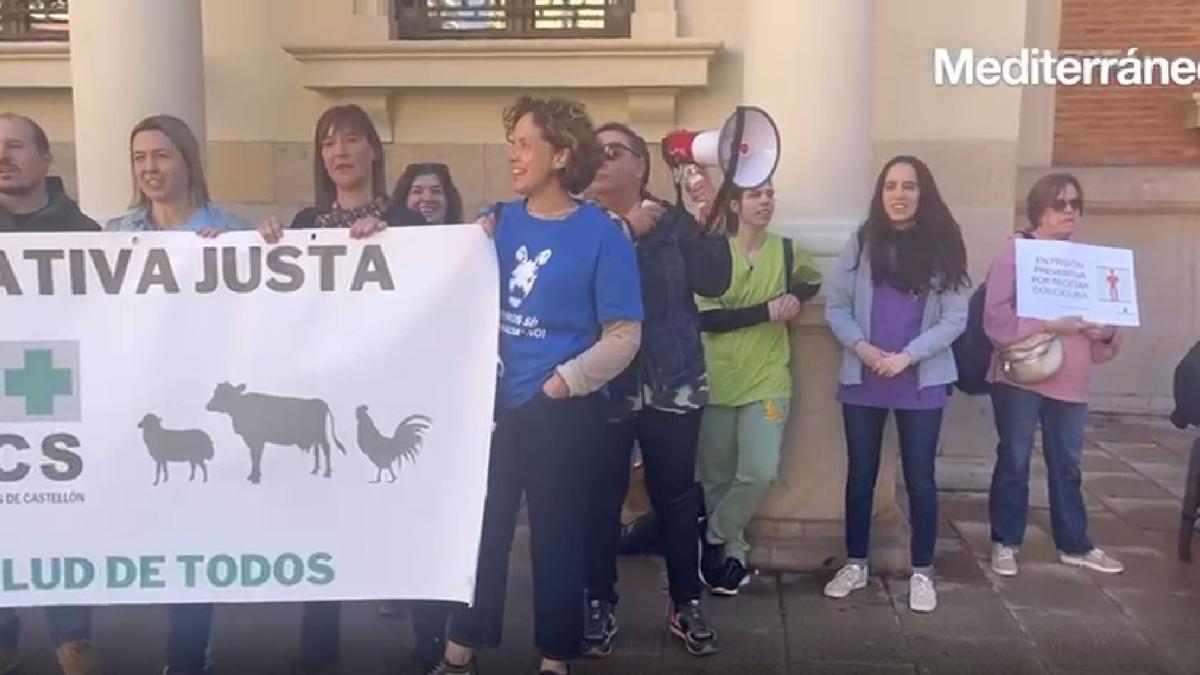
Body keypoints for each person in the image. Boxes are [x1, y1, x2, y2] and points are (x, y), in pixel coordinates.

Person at [429, 95, 643, 675]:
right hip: (493, 407)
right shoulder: (496, 222)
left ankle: (555, 659)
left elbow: (624, 336)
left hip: (562, 413)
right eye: (512, 144)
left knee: (557, 538)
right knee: (483, 529)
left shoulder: (603, 234)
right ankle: (460, 648)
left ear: (561, 155)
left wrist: (564, 383)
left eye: (525, 144)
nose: (513, 155)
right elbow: (442, 278)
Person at [258, 104, 425, 675]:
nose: (339, 152)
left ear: (373, 149)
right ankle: (318, 642)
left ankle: (429, 642)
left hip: (389, 387)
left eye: (351, 139)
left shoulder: (409, 223)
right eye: (328, 142)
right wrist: (266, 246)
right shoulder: (306, 222)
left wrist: (390, 242)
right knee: (321, 511)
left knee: (401, 511)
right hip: (324, 390)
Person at [103, 114, 253, 675]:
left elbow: (260, 316)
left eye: (161, 155)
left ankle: (187, 653)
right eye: (139, 157)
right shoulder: (113, 235)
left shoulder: (231, 230)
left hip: (201, 399)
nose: (149, 168)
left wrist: (241, 254)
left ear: (188, 161)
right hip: (140, 395)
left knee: (196, 522)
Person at [580, 122, 730, 658]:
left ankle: (686, 602)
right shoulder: (581, 224)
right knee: (601, 498)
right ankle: (599, 601)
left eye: (614, 151)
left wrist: (711, 225)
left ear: (641, 166)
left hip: (673, 381)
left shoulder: (674, 220)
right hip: (605, 386)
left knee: (676, 497)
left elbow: (715, 281)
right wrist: (624, 230)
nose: (602, 159)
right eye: (595, 151)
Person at [821, 155, 970, 613]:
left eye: (908, 186)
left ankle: (922, 571)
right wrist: (863, 349)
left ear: (923, 193)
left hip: (919, 379)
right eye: (890, 186)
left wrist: (908, 356)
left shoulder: (944, 244)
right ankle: (856, 563)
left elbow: (955, 317)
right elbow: (836, 305)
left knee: (920, 478)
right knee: (860, 475)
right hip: (865, 375)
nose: (898, 195)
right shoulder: (862, 241)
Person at [0, 112, 101, 675]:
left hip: (63, 397)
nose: (3, 157)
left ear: (45, 158)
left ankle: (72, 637)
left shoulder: (84, 235)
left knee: (62, 517)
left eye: (16, 146)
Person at [984, 173, 1124, 577]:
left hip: (1071, 380)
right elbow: (995, 316)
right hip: (1021, 375)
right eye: (1059, 203)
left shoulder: (1087, 261)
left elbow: (1109, 329)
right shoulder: (1015, 250)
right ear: (1038, 209)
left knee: (1068, 465)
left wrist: (1106, 332)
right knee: (1014, 459)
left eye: (1074, 204)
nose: (1068, 211)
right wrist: (1048, 324)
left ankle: (1074, 543)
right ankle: (1005, 541)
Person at [694, 178, 823, 594]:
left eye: (770, 194)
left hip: (768, 379)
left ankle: (713, 533)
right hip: (716, 378)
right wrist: (764, 311)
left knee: (760, 469)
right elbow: (705, 317)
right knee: (716, 477)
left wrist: (796, 297)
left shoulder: (786, 251)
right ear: (734, 205)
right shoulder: (713, 254)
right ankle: (733, 554)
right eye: (755, 195)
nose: (766, 201)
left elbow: (811, 279)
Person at [376, 160, 465, 672]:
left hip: (452, 406)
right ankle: (425, 630)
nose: (426, 198)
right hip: (399, 399)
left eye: (435, 190)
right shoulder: (384, 245)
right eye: (415, 191)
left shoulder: (473, 250)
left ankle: (449, 630)